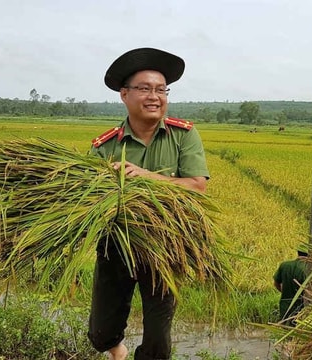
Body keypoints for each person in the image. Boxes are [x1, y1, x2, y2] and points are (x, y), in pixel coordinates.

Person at [87, 47, 210, 360]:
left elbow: (197, 187)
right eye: (145, 89)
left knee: (158, 335)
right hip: (116, 245)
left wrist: (144, 177)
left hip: (165, 246)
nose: (155, 96)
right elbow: (88, 198)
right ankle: (116, 350)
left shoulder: (184, 135)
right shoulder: (105, 145)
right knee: (101, 331)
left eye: (161, 90)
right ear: (124, 95)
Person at [273, 246, 308, 326]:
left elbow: (276, 283)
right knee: (299, 329)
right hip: (301, 304)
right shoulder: (308, 267)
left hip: (286, 304)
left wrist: (285, 292)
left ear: (298, 253)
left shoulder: (284, 265)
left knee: (286, 329)